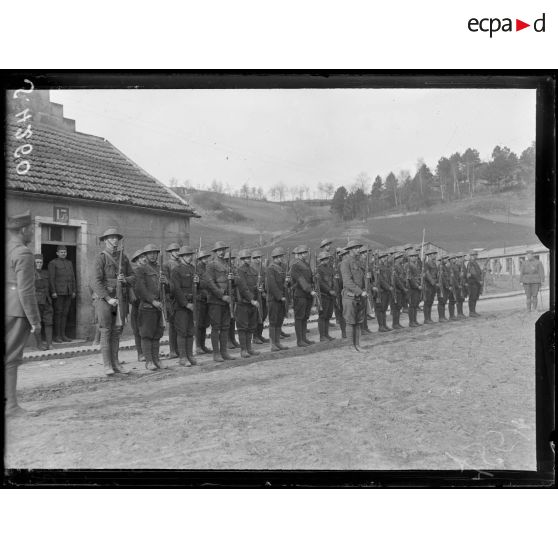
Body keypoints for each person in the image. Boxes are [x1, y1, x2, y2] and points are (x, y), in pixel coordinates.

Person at [6, 211, 42, 416]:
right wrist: (34, 320)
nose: (31, 232)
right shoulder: (23, 253)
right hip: (16, 311)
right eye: (30, 228)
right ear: (22, 230)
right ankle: (11, 407)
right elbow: (26, 291)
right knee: (11, 358)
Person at [91, 228, 135, 375]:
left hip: (120, 298)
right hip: (104, 299)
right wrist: (108, 298)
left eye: (116, 238)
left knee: (117, 332)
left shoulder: (124, 258)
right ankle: (107, 365)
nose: (115, 240)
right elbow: (95, 282)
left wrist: (125, 279)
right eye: (111, 238)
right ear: (105, 241)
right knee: (106, 331)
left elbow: (133, 277)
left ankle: (116, 363)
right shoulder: (101, 258)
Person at [134, 244, 169, 370]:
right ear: (145, 255)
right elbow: (140, 289)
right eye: (150, 253)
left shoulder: (161, 269)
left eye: (155, 253)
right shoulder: (141, 270)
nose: (153, 255)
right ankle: (149, 361)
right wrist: (152, 301)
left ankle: (156, 359)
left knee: (157, 334)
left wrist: (166, 282)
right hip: (148, 307)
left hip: (160, 307)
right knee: (147, 334)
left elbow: (169, 289)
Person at [205, 241, 236, 362]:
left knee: (225, 327)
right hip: (215, 300)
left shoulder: (228, 265)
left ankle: (224, 352)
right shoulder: (211, 265)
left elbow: (236, 280)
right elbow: (210, 283)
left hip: (227, 300)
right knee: (216, 327)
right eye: (219, 250)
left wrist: (233, 279)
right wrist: (222, 295)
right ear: (215, 252)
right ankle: (216, 354)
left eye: (223, 250)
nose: (222, 252)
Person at [171, 245, 198, 367]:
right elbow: (176, 289)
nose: (189, 257)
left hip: (193, 304)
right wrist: (186, 304)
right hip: (182, 305)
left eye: (190, 255)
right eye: (186, 255)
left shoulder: (193, 269)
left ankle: (190, 355)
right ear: (181, 257)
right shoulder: (176, 270)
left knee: (190, 331)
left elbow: (199, 287)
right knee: (182, 331)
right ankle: (183, 357)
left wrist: (198, 282)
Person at [340, 240, 367, 348]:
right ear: (350, 250)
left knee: (358, 321)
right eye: (356, 248)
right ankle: (351, 346)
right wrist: (360, 292)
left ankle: (357, 345)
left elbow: (362, 279)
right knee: (350, 322)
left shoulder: (358, 262)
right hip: (350, 296)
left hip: (359, 297)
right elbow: (347, 281)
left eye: (358, 248)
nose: (358, 250)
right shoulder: (345, 263)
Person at [235, 249, 262, 358]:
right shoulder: (239, 272)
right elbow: (243, 288)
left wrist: (259, 288)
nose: (247, 260)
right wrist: (252, 299)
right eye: (244, 258)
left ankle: (249, 348)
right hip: (243, 303)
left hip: (253, 303)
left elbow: (254, 286)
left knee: (251, 326)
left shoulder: (253, 271)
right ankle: (243, 350)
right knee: (243, 327)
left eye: (248, 258)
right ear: (241, 260)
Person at [290, 245, 317, 347]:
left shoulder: (306, 264)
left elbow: (309, 278)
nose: (306, 254)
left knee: (305, 317)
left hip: (307, 295)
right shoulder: (295, 265)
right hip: (300, 294)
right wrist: (310, 290)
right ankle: (299, 340)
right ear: (300, 254)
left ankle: (304, 338)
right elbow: (301, 280)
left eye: (306, 252)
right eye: (304, 253)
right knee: (299, 317)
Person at [48, 244, 76, 342]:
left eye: (65, 252)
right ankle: (57, 336)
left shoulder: (69, 263)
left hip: (68, 292)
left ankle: (63, 335)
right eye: (61, 252)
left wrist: (73, 291)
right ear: (57, 253)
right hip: (58, 293)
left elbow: (73, 278)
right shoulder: (53, 263)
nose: (63, 254)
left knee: (65, 314)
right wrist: (53, 291)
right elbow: (51, 278)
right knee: (58, 314)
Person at [266, 247, 289, 352]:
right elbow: (272, 285)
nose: (280, 258)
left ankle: (278, 342)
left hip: (282, 299)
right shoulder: (270, 268)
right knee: (273, 321)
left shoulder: (283, 268)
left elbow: (284, 284)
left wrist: (288, 281)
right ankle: (273, 344)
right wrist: (280, 296)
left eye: (281, 256)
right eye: (278, 257)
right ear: (274, 258)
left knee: (280, 321)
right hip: (273, 299)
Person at [163, 242, 181, 359]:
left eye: (178, 250)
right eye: (175, 251)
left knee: (181, 324)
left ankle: (180, 349)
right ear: (170, 253)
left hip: (182, 297)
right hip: (172, 298)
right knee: (173, 325)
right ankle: (173, 350)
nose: (177, 253)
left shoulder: (181, 263)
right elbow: (167, 282)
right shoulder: (166, 265)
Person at [34, 253, 54, 350]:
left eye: (40, 262)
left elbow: (50, 286)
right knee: (37, 323)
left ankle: (49, 344)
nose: (39, 264)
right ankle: (39, 344)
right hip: (36, 301)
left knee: (48, 322)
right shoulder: (30, 274)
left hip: (47, 300)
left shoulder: (46, 273)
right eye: (37, 262)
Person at [194, 250, 212, 355]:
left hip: (207, 298)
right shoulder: (197, 269)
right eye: (203, 258)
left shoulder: (207, 268)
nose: (205, 259)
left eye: (206, 257)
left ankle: (203, 345)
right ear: (200, 259)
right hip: (200, 299)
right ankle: (198, 346)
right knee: (199, 324)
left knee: (205, 323)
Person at [130, 249, 146, 361]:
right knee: (137, 330)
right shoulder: (133, 272)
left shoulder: (148, 271)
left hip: (148, 304)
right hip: (137, 304)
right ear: (136, 261)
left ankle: (149, 352)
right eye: (140, 258)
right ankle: (140, 354)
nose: (143, 259)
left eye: (144, 256)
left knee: (148, 329)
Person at [317, 251, 336, 341]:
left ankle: (326, 334)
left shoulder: (330, 268)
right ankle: (322, 336)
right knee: (323, 316)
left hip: (331, 295)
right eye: (324, 259)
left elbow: (332, 280)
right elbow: (320, 282)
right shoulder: (319, 269)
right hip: (324, 295)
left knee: (328, 315)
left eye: (327, 259)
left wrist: (334, 290)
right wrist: (329, 290)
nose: (326, 260)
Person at [251, 250, 269, 344]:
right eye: (257, 258)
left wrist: (264, 290)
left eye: (260, 257)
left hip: (263, 294)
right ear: (253, 259)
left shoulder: (263, 267)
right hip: (255, 295)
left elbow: (266, 280)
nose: (259, 259)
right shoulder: (251, 268)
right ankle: (255, 337)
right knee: (256, 316)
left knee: (263, 314)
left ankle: (260, 335)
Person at [375, 253, 392, 332]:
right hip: (381, 291)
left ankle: (384, 325)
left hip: (386, 291)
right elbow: (380, 280)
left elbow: (388, 279)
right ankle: (381, 326)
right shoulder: (378, 268)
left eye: (385, 257)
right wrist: (388, 287)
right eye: (383, 257)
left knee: (384, 309)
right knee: (380, 309)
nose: (385, 259)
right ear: (380, 259)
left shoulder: (385, 267)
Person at [391, 252, 407, 329]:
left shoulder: (400, 266)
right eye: (400, 257)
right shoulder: (395, 267)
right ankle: (395, 324)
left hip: (401, 289)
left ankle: (397, 323)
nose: (402, 258)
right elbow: (396, 280)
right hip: (397, 290)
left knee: (399, 307)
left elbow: (402, 278)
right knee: (396, 307)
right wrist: (402, 288)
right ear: (396, 259)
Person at [407, 251, 423, 327]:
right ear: (409, 257)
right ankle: (411, 321)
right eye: (412, 256)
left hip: (417, 287)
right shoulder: (408, 265)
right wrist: (417, 286)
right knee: (412, 305)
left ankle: (414, 320)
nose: (415, 257)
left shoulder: (416, 265)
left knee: (415, 304)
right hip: (412, 288)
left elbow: (418, 276)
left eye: (415, 256)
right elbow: (410, 278)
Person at [422, 250, 438, 324]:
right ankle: (426, 319)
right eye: (434, 254)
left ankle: (429, 318)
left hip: (433, 285)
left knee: (430, 302)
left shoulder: (434, 264)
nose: (435, 255)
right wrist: (434, 283)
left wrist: (436, 282)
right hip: (428, 285)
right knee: (427, 302)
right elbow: (428, 275)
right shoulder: (426, 264)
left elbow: (436, 274)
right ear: (430, 255)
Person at [466, 251, 483, 317]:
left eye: (476, 255)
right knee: (472, 298)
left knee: (475, 297)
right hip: (473, 283)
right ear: (472, 256)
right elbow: (473, 274)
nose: (476, 256)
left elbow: (478, 272)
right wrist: (479, 281)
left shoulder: (475, 263)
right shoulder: (471, 263)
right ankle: (471, 312)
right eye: (475, 255)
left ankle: (473, 311)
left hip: (476, 283)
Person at [437, 255, 450, 322]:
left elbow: (447, 277)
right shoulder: (440, 266)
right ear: (442, 259)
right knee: (441, 302)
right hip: (442, 287)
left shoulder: (445, 267)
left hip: (445, 287)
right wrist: (447, 286)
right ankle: (441, 317)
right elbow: (442, 278)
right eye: (445, 259)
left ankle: (443, 316)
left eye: (447, 259)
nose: (446, 260)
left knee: (444, 302)